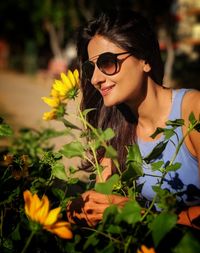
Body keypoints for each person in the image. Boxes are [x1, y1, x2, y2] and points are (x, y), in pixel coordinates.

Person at [66, 8, 200, 229]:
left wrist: (143, 216)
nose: (96, 79)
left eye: (107, 62)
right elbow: (103, 197)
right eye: (91, 68)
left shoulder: (192, 110)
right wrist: (84, 208)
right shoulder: (115, 126)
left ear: (144, 60)